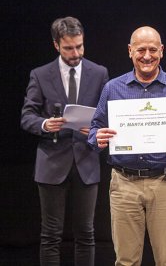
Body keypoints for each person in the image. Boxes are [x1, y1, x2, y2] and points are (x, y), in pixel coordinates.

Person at [88, 26, 166, 266]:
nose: (147, 56)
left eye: (153, 49)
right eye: (141, 49)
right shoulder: (113, 88)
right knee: (126, 261)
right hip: (123, 184)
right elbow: (94, 130)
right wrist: (97, 138)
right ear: (130, 51)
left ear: (162, 51)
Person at [20, 16, 109, 266]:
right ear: (56, 45)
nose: (76, 53)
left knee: (86, 234)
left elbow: (106, 115)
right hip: (51, 161)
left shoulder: (99, 72)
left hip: (86, 160)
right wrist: (45, 125)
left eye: (80, 46)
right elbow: (27, 116)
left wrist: (98, 130)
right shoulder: (40, 75)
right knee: (50, 235)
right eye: (69, 48)